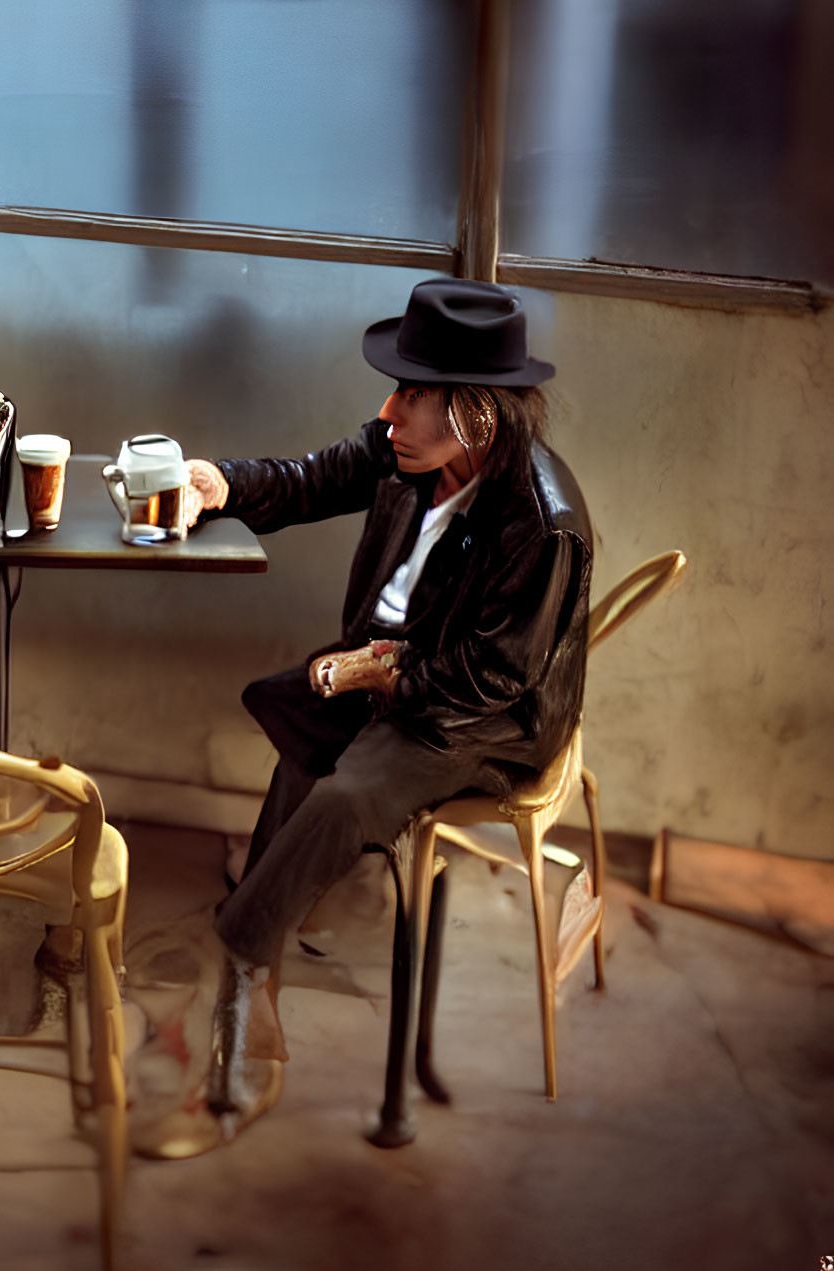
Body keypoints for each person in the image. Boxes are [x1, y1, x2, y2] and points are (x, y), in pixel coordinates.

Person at [174, 278, 593, 1142]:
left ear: (475, 415)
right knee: (301, 745)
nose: (388, 409)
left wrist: (384, 680)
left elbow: (491, 679)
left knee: (336, 793)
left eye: (409, 391)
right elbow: (309, 480)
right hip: (388, 676)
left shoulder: (542, 523)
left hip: (479, 723)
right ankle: (258, 980)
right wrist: (220, 484)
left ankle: (242, 958)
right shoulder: (404, 450)